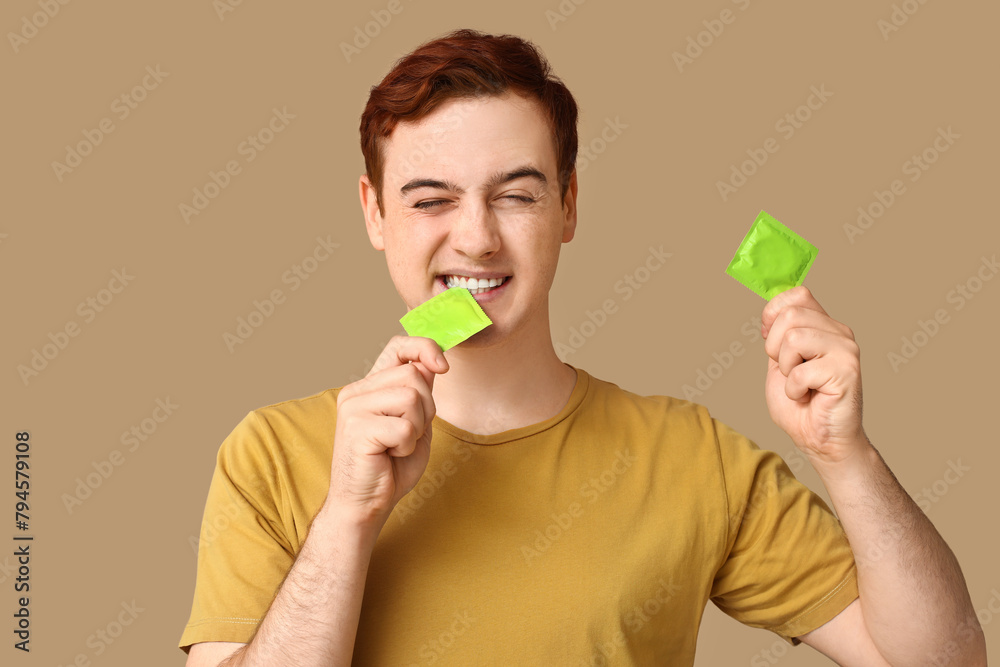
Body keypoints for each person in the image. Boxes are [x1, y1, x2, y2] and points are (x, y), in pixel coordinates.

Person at [179, 28, 987, 666]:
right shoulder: (269, 455)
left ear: (568, 206)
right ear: (374, 213)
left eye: (517, 194)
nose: (476, 237)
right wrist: (349, 517)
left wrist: (845, 455)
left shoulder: (694, 457)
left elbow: (946, 661)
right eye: (431, 199)